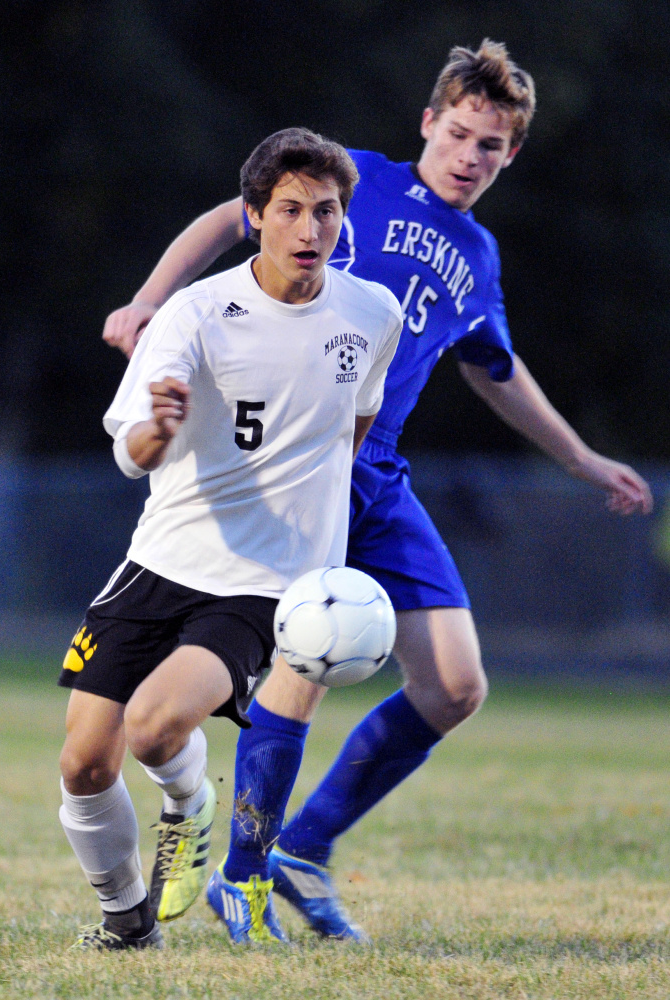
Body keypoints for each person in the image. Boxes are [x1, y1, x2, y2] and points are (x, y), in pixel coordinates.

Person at [102, 41, 653, 943]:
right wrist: (149, 300)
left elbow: (494, 369)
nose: (470, 156)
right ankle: (237, 875)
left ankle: (299, 851)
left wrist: (584, 459)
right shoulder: (352, 181)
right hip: (298, 462)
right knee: (306, 662)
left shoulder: (475, 252)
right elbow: (222, 221)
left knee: (454, 686)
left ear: (511, 153)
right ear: (429, 122)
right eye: (460, 134)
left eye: (491, 145)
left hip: (378, 472)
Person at [57, 126, 402, 950]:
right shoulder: (198, 312)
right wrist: (158, 430)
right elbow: (130, 448)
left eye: (326, 211)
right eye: (290, 210)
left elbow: (352, 428)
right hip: (162, 558)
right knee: (84, 766)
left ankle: (187, 807)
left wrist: (306, 525)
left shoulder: (370, 314)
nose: (311, 230)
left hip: (267, 581)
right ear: (254, 217)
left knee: (153, 725)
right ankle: (126, 918)